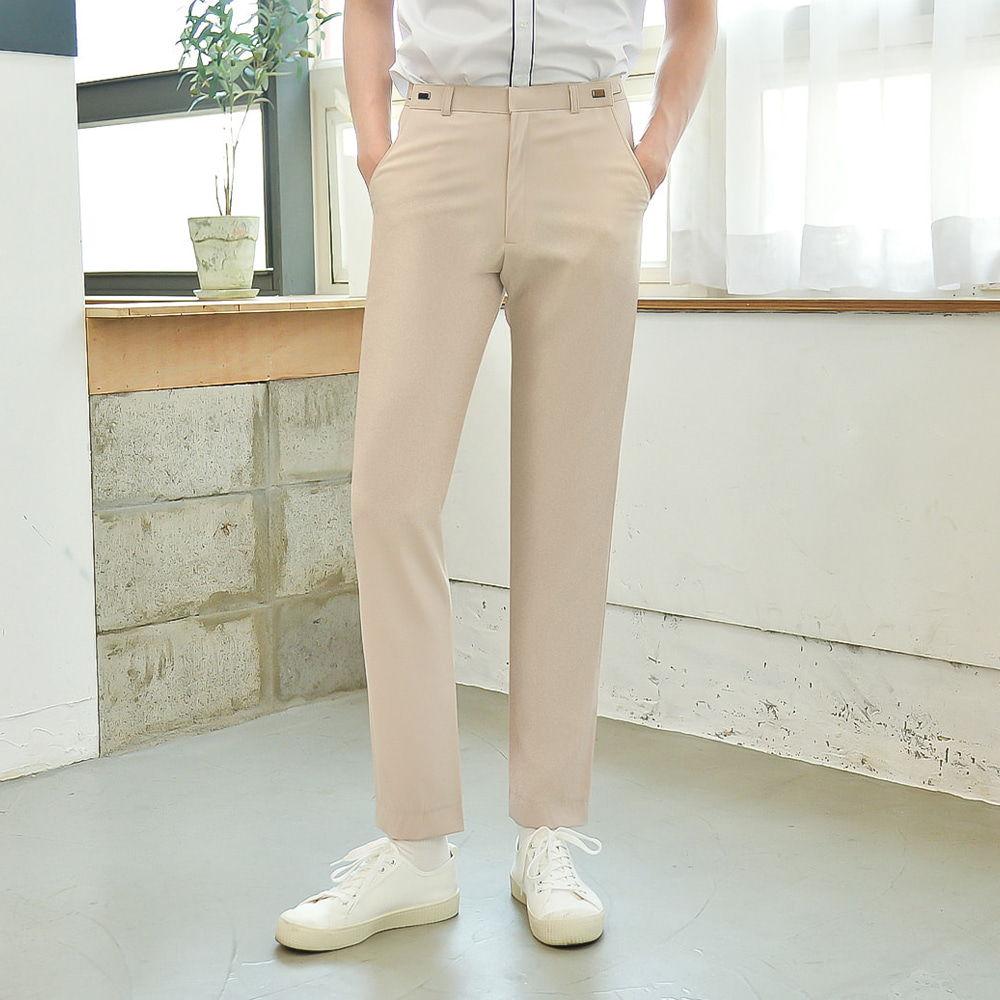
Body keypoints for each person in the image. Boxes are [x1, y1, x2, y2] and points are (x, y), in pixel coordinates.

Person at [276, 0, 717, 952]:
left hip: (589, 146)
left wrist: (649, 156)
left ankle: (547, 834)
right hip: (438, 141)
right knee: (389, 498)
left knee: (569, 506)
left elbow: (695, 16)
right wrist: (376, 149)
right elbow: (369, 7)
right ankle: (415, 846)